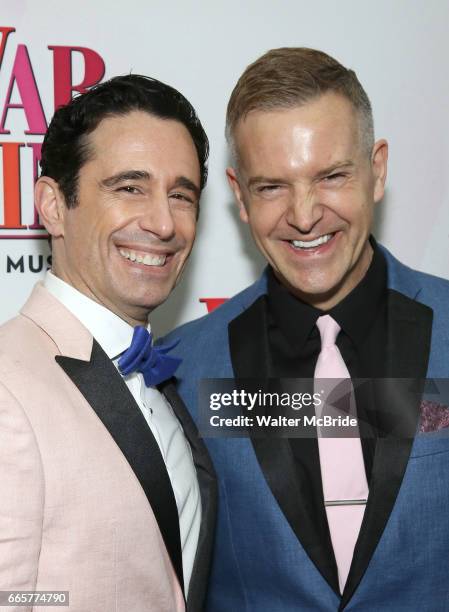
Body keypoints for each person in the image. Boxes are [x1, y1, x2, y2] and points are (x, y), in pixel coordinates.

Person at [165, 48, 449, 610]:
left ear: (378, 170)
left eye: (331, 176)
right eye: (271, 186)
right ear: (240, 195)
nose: (303, 214)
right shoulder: (184, 368)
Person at [0, 74, 216, 612]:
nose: (164, 223)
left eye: (181, 195)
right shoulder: (8, 389)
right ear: (52, 205)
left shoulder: (161, 375)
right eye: (130, 188)